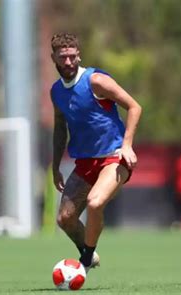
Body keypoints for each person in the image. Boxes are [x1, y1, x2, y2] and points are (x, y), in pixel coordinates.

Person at [49, 33, 142, 271]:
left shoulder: (96, 81)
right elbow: (60, 128)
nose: (68, 62)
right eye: (63, 58)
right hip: (85, 163)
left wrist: (128, 145)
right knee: (65, 219)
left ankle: (86, 260)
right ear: (54, 59)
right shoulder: (56, 92)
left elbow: (134, 107)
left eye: (72, 57)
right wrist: (55, 166)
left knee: (95, 202)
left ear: (78, 55)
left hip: (115, 157)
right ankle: (88, 252)